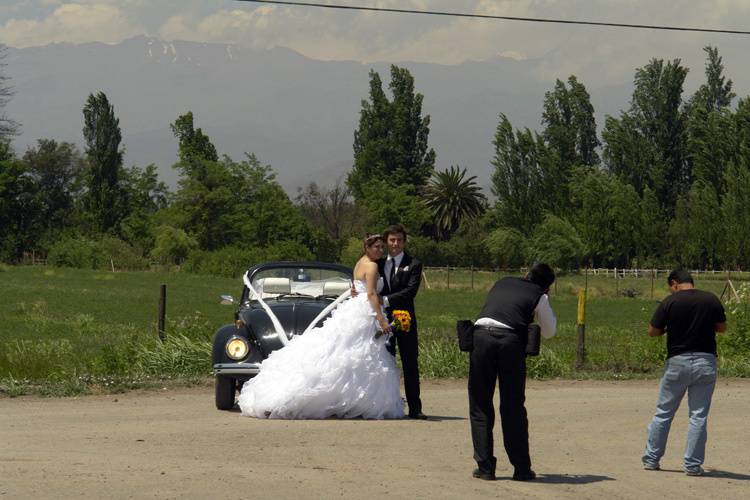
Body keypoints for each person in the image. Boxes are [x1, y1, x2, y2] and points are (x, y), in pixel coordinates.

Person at [237, 234, 404, 419]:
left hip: (355, 307)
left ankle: (348, 397)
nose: (380, 250)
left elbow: (358, 287)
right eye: (377, 247)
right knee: (357, 353)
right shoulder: (372, 266)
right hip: (366, 310)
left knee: (349, 352)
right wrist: (381, 319)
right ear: (367, 248)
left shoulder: (360, 263)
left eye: (382, 247)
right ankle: (352, 399)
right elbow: (372, 294)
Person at [468, 263, 557, 481]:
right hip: (510, 343)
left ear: (526, 274)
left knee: (480, 404)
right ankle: (521, 468)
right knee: (512, 406)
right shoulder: (539, 295)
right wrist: (542, 302)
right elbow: (549, 332)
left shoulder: (502, 281)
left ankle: (486, 467)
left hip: (480, 337)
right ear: (547, 287)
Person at [642, 269, 727, 476]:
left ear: (674, 283)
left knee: (664, 413)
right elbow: (722, 327)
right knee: (698, 416)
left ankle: (652, 459)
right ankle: (692, 465)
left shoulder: (670, 302)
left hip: (677, 362)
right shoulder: (711, 299)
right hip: (705, 361)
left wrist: (666, 329)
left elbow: (653, 331)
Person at [379, 224, 426, 419]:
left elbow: (410, 291)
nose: (395, 243)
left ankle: (415, 408)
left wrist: (386, 300)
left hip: (405, 320)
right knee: (384, 362)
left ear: (404, 241)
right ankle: (385, 406)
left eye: (399, 240)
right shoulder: (379, 263)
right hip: (383, 321)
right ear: (387, 242)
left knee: (409, 363)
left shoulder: (414, 264)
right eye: (392, 240)